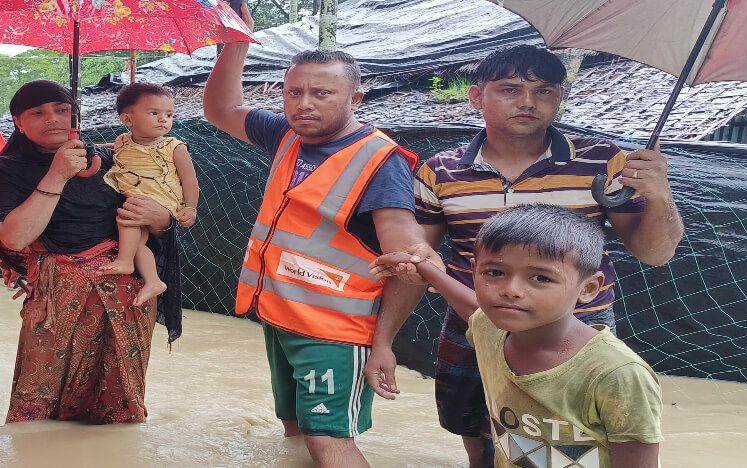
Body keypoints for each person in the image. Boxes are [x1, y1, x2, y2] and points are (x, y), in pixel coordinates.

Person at [363, 45, 684, 467]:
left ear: (561, 98)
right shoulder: (441, 170)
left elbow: (655, 254)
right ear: (478, 97)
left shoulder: (602, 162)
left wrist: (659, 195)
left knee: (572, 440)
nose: (528, 102)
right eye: (510, 89)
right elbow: (420, 263)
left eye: (544, 91)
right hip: (474, 322)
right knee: (475, 427)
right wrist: (382, 341)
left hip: (576, 327)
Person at [202, 6, 441, 467]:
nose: (303, 103)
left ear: (356, 99)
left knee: (326, 441)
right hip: (280, 316)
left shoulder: (380, 160)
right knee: (294, 427)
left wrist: (385, 337)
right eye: (294, 92)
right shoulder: (287, 135)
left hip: (334, 331)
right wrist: (235, 40)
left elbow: (401, 237)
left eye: (321, 93)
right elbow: (221, 110)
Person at [370, 204, 663, 468]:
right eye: (495, 272)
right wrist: (420, 264)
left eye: (540, 278)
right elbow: (469, 305)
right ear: (474, 272)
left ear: (588, 289)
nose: (511, 289)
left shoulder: (618, 374)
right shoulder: (491, 331)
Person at [0, 80, 180, 424]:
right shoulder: (8, 169)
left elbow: (160, 218)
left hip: (128, 291)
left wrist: (161, 220)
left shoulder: (116, 159)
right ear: (18, 123)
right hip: (56, 295)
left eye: (62, 110)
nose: (52, 118)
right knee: (39, 399)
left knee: (118, 405)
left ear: (75, 116)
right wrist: (57, 174)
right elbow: (15, 238)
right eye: (37, 113)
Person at [99, 83, 199, 306]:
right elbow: (113, 149)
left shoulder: (174, 146)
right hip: (135, 193)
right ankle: (153, 280)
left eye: (169, 114)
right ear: (127, 120)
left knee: (128, 218)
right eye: (154, 113)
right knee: (139, 242)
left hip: (159, 195)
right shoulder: (123, 140)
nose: (164, 119)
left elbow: (189, 179)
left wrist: (190, 207)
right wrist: (92, 147)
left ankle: (124, 261)